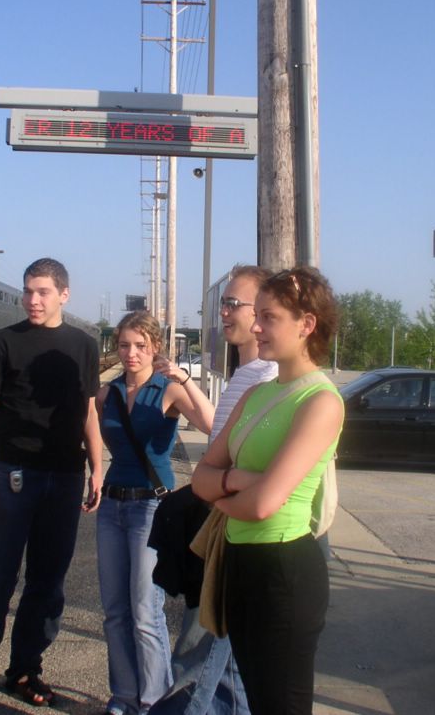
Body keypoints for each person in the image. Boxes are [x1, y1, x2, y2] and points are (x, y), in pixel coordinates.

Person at [0, 258, 103, 713]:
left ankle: (26, 670)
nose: (32, 300)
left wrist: (97, 467)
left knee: (47, 583)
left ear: (64, 294)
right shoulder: (3, 342)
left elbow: (88, 410)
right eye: (28, 291)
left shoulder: (84, 346)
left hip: (65, 477)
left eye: (43, 292)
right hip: (12, 474)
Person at [192, 267, 344, 715]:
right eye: (256, 315)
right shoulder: (255, 394)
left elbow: (263, 506)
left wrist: (222, 489)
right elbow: (201, 478)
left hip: (283, 572)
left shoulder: (320, 401)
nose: (256, 327)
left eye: (269, 317)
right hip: (238, 564)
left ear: (307, 324)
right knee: (257, 701)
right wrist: (236, 481)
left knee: (281, 705)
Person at [152, 264, 277, 715]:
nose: (223, 312)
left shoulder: (268, 378)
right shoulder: (245, 374)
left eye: (232, 304)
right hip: (222, 521)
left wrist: (215, 483)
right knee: (229, 669)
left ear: (262, 311)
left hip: (236, 533)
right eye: (223, 303)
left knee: (199, 653)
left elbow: (252, 472)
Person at [95, 311, 214, 715]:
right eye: (124, 345)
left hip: (150, 505)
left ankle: (153, 703)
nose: (131, 353)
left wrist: (185, 380)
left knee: (145, 611)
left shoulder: (168, 390)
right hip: (112, 505)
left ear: (155, 348)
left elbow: (212, 424)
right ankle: (123, 697)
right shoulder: (107, 394)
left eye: (140, 346)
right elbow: (102, 438)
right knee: (115, 611)